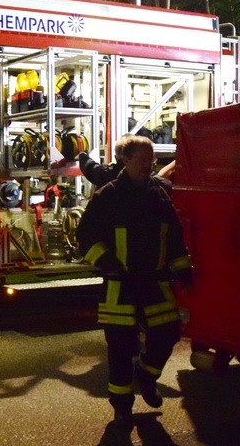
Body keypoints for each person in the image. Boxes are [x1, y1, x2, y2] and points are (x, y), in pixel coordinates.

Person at [76, 135, 193, 428]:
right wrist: (107, 263)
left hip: (155, 282)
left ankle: (147, 373)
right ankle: (122, 407)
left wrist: (183, 269)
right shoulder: (107, 197)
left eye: (151, 160)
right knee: (120, 347)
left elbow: (175, 236)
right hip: (121, 284)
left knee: (167, 335)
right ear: (125, 161)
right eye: (142, 159)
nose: (149, 165)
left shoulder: (161, 194)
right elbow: (86, 237)